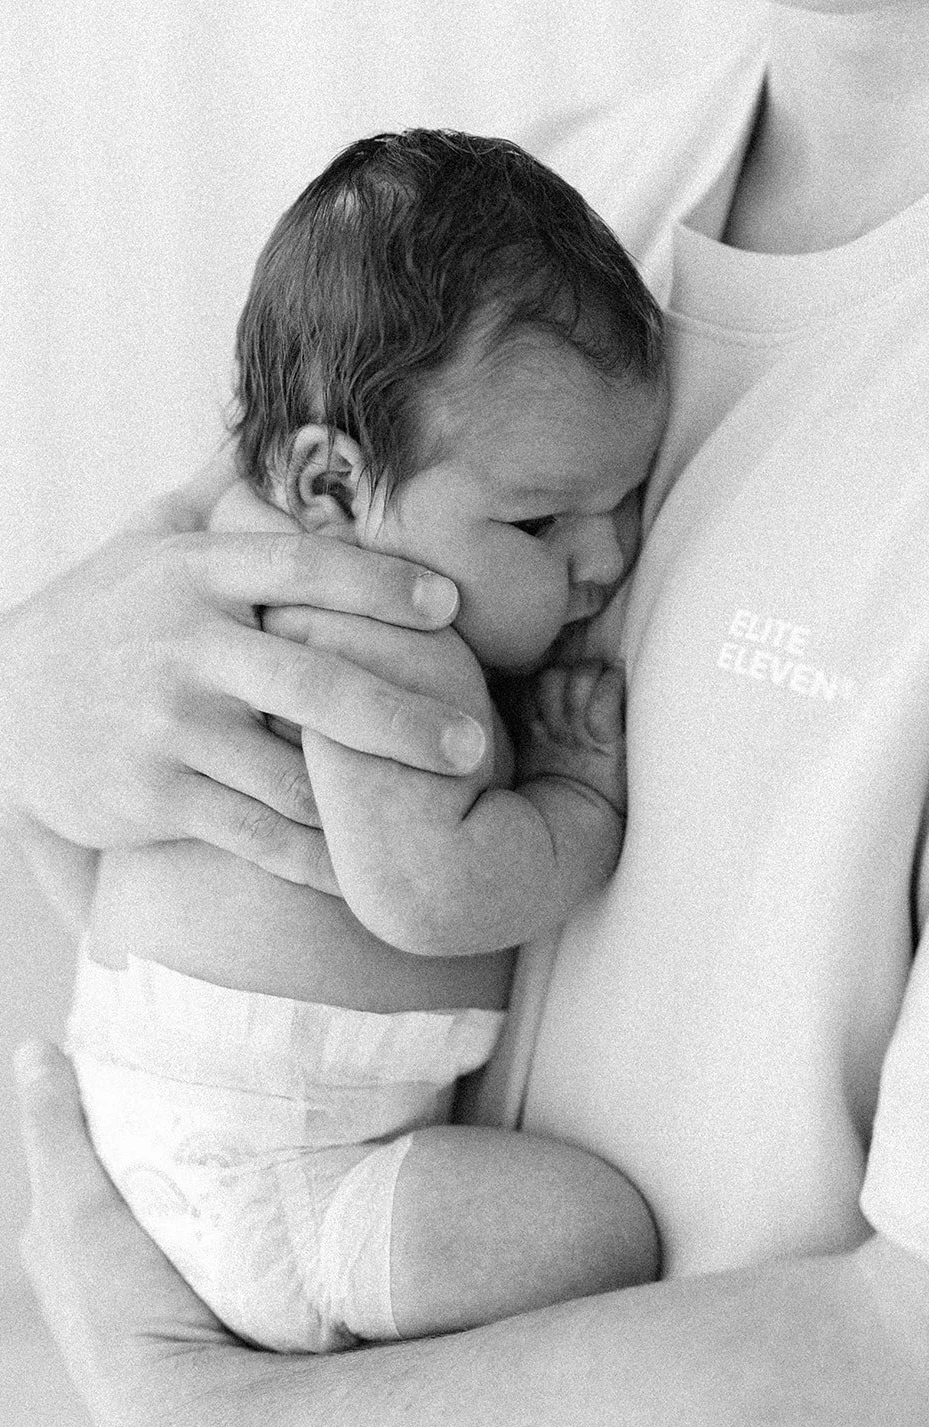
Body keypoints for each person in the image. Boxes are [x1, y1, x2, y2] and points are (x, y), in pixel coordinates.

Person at [0, 1, 929, 1427]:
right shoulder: (554, 224)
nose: (594, 562)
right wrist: (11, 700)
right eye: (547, 529)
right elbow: (127, 665)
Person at [71, 128, 664, 1352]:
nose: (603, 561)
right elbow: (432, 894)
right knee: (601, 1234)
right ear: (331, 485)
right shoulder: (369, 633)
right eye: (544, 519)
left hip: (201, 1120)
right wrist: (574, 799)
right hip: (287, 1185)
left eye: (625, 503)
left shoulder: (260, 535)